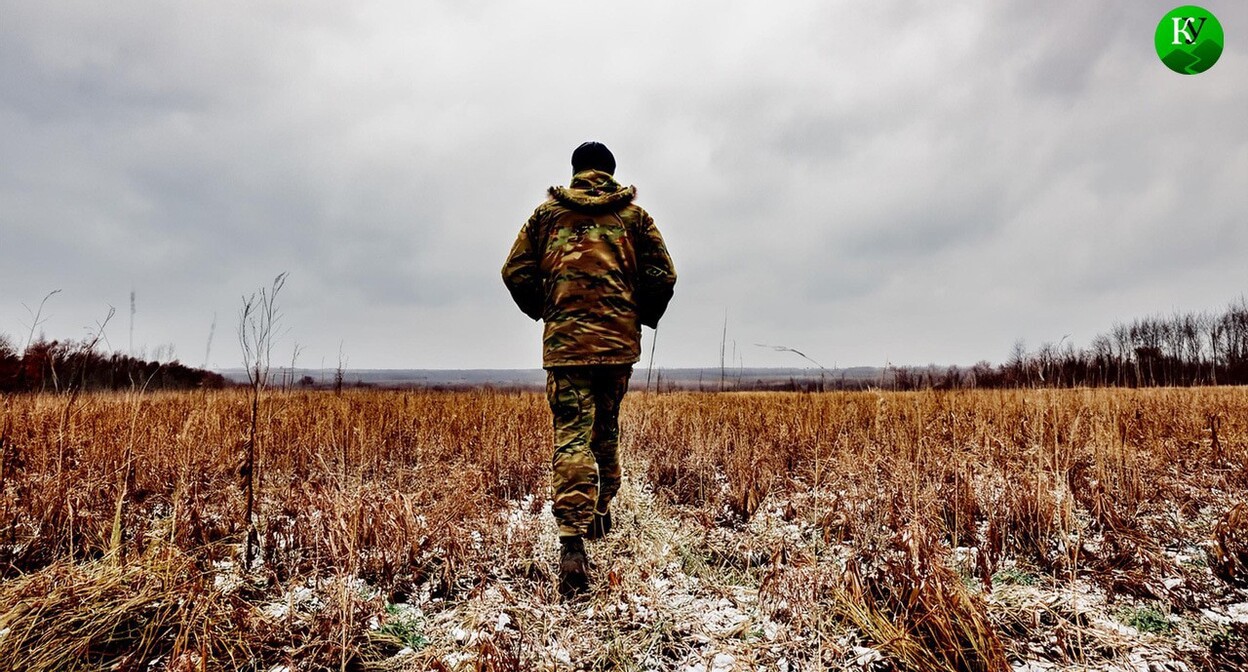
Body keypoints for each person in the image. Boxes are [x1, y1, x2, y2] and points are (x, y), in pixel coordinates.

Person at [502, 141, 676, 596]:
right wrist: (633, 314)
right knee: (607, 430)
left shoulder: (546, 217)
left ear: (577, 172)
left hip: (566, 347)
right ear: (611, 174)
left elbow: (514, 271)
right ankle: (601, 511)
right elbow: (664, 276)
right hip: (617, 348)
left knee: (572, 437)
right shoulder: (634, 218)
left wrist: (549, 309)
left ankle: (573, 543)